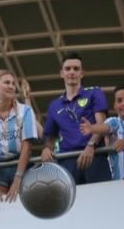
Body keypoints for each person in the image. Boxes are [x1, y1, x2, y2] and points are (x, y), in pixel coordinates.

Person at [41, 52, 112, 184]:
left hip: (95, 156)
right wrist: (46, 148)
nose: (72, 72)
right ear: (61, 73)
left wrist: (91, 146)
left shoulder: (94, 92)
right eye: (68, 69)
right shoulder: (54, 105)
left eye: (76, 69)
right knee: (71, 204)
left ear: (82, 73)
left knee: (102, 201)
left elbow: (102, 124)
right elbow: (49, 136)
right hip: (68, 161)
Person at [0, 69, 40, 204]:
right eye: (6, 83)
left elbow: (27, 146)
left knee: (23, 205)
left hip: (23, 166)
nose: (11, 86)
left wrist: (18, 179)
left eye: (13, 83)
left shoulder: (26, 111)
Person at [79, 83, 124, 179]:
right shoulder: (113, 121)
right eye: (119, 100)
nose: (123, 103)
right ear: (115, 105)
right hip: (121, 180)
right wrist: (92, 128)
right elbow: (105, 127)